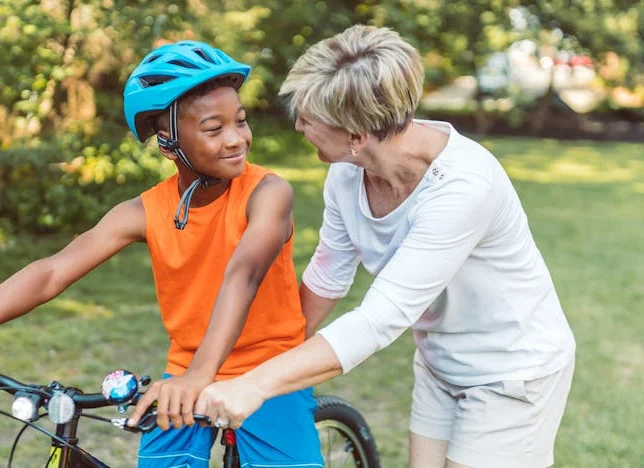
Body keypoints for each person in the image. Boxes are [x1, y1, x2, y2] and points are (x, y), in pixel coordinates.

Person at [0, 40, 322, 468]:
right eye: (214, 129)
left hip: (267, 369)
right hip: (186, 370)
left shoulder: (268, 193)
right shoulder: (145, 211)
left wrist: (201, 376)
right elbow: (52, 272)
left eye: (240, 121)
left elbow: (244, 274)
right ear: (168, 143)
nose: (237, 139)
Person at [195, 24, 576, 468]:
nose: (298, 125)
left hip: (512, 372)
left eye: (309, 119)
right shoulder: (347, 172)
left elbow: (379, 319)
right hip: (439, 364)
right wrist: (263, 357)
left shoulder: (463, 187)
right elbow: (329, 273)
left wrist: (256, 385)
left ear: (357, 135)